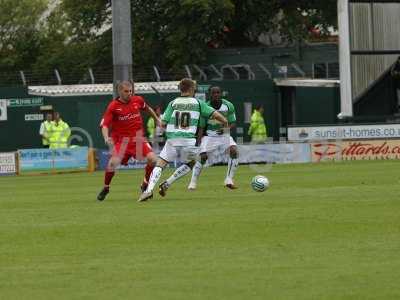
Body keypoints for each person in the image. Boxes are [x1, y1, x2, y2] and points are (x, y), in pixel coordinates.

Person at [138, 78, 228, 202]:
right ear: (191, 89)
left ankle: (148, 190)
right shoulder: (198, 103)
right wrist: (225, 122)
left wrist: (161, 122)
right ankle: (167, 183)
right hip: (188, 140)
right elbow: (215, 115)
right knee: (191, 163)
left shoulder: (173, 103)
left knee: (161, 164)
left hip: (172, 139)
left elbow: (163, 123)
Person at [97, 80, 161, 201]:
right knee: (112, 164)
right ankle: (106, 187)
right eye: (126, 91)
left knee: (153, 160)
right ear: (120, 91)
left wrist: (157, 119)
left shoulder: (138, 100)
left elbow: (147, 108)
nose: (129, 93)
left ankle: (145, 184)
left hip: (138, 139)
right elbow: (104, 125)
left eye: (131, 91)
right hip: (122, 142)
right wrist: (106, 137)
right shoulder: (113, 106)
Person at [188, 86, 239, 190]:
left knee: (234, 151)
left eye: (218, 92)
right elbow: (201, 127)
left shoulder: (228, 105)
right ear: (210, 95)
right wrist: (198, 143)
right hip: (209, 136)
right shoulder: (205, 107)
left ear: (221, 94)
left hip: (224, 135)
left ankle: (229, 179)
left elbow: (233, 122)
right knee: (203, 157)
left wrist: (226, 129)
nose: (216, 94)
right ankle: (193, 182)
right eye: (213, 93)